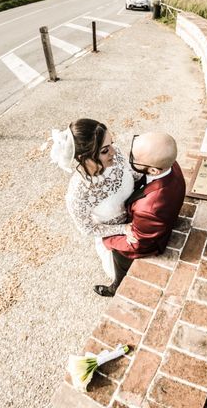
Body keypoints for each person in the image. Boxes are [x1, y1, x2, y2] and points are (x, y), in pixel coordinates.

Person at [94, 132, 186, 297]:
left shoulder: (150, 207)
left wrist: (107, 238)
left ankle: (117, 287)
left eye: (134, 159)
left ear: (153, 170)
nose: (128, 158)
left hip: (148, 241)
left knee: (119, 253)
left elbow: (137, 244)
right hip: (158, 218)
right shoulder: (170, 163)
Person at [49, 119, 140, 279]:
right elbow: (88, 228)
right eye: (105, 150)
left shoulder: (116, 154)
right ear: (83, 157)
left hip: (141, 217)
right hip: (116, 240)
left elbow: (133, 175)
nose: (113, 151)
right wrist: (123, 229)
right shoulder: (78, 193)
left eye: (112, 143)